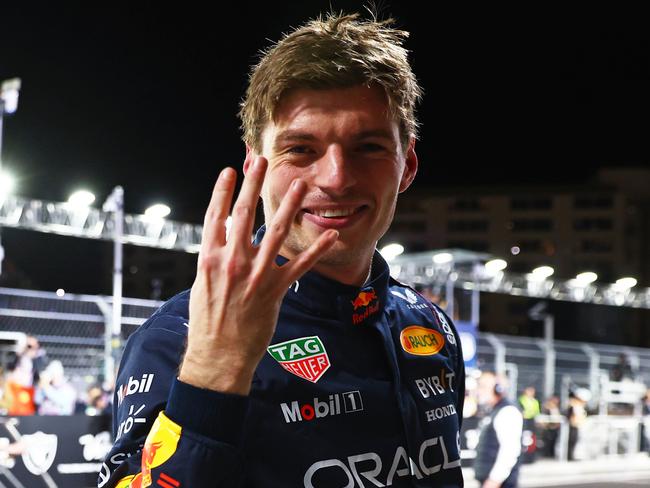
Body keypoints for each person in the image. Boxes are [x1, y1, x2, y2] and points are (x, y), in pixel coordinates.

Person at [100, 11, 465, 488]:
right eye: (301, 149)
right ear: (256, 165)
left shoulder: (428, 325)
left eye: (369, 147)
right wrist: (214, 375)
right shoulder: (177, 338)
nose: (335, 178)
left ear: (408, 164)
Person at [474, 372, 523, 488]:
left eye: (483, 386)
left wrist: (494, 480)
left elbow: (510, 450)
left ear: (498, 389)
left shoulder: (507, 411)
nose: (478, 390)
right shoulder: (493, 411)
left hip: (498, 484)